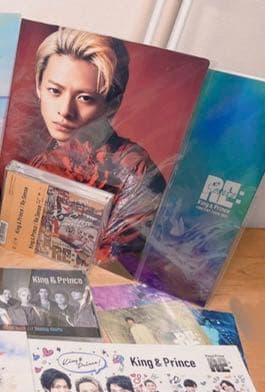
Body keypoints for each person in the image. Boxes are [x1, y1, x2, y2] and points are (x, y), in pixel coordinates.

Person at [30, 28, 166, 264]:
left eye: (85, 98)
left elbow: (118, 267)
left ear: (113, 104)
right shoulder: (44, 156)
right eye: (55, 91)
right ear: (38, 86)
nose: (65, 110)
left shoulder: (134, 171)